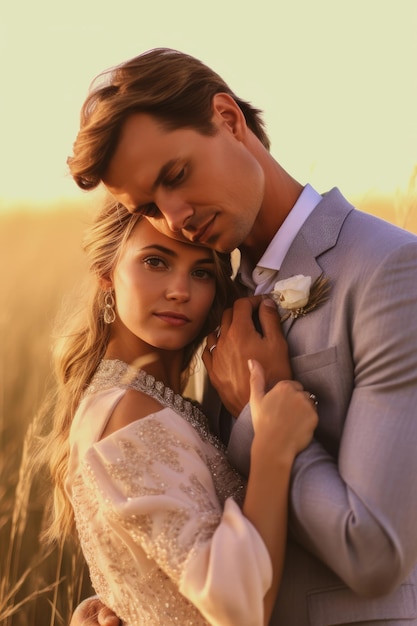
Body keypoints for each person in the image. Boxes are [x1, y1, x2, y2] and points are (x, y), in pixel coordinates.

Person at [66, 48, 417, 625]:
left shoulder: (388, 271)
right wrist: (139, 601)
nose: (176, 215)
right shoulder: (213, 300)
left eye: (176, 176)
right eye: (150, 206)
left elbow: (374, 551)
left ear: (229, 119)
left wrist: (262, 413)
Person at [42, 199, 317, 626]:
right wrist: (273, 448)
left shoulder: (146, 401)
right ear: (105, 275)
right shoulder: (129, 412)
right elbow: (238, 609)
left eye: (201, 272)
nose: (180, 290)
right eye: (155, 262)